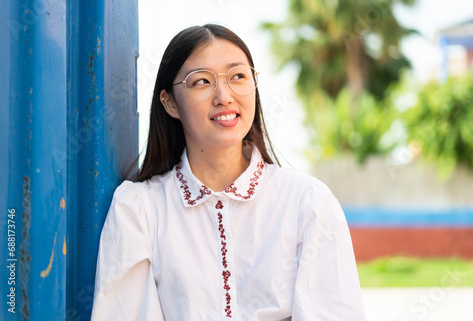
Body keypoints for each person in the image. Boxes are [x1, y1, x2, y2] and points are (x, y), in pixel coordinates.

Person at [91, 24, 366, 320]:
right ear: (170, 102)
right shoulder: (139, 209)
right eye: (201, 82)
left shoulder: (307, 203)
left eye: (238, 76)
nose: (224, 96)